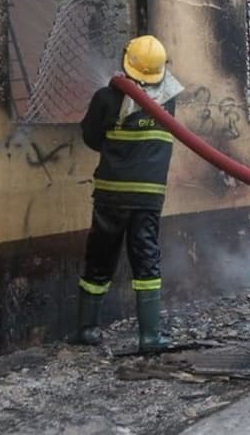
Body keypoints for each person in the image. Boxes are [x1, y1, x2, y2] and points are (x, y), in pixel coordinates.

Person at [74, 35, 183, 353]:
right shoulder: (168, 101)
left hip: (110, 195)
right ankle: (149, 336)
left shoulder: (106, 98)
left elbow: (92, 138)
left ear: (126, 61)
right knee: (146, 259)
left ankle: (86, 329)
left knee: (99, 257)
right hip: (149, 198)